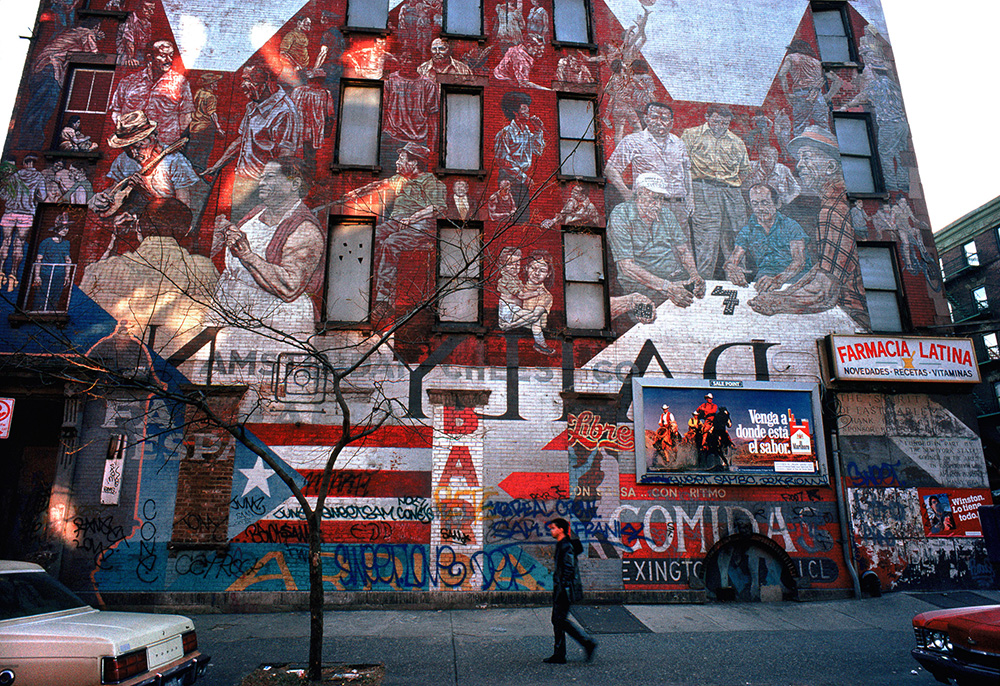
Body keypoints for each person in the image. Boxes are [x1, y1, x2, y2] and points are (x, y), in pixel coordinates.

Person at [746, 126, 869, 329]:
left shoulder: (833, 212)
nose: (799, 165)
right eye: (799, 158)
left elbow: (824, 291)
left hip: (855, 318)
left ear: (830, 167)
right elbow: (825, 266)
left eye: (807, 158)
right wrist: (784, 290)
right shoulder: (839, 202)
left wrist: (777, 302)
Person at [213, 157, 325, 335]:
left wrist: (248, 256)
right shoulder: (257, 212)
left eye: (270, 177)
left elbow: (290, 287)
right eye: (261, 177)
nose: (261, 183)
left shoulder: (306, 229)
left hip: (273, 322)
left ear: (294, 184)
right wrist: (225, 233)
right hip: (234, 312)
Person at [204, 63, 301, 221]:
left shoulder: (284, 112)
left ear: (266, 83)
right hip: (243, 181)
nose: (243, 86)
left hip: (263, 186)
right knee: (237, 226)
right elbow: (242, 140)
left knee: (254, 230)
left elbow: (286, 156)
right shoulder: (253, 105)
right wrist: (217, 165)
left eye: (247, 80)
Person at [606, 172, 704, 307]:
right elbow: (627, 267)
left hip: (672, 279)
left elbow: (683, 251)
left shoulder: (666, 214)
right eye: (654, 198)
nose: (658, 205)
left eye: (661, 199)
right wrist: (667, 287)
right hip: (640, 286)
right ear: (639, 194)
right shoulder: (620, 216)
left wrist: (694, 275)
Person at [681, 106, 750, 279]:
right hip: (703, 189)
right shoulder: (691, 135)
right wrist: (689, 195)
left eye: (725, 123)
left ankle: (737, 281)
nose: (720, 126)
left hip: (731, 192)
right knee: (707, 239)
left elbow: (744, 170)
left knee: (736, 236)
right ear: (707, 117)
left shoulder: (736, 141)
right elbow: (682, 166)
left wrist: (731, 186)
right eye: (716, 121)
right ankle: (704, 282)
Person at [605, 102, 693, 221]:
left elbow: (686, 171)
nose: (659, 122)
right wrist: (626, 193)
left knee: (680, 234)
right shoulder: (633, 141)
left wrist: (690, 197)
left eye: (664, 119)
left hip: (678, 208)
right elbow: (611, 169)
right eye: (654, 117)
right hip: (648, 207)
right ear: (646, 119)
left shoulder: (678, 143)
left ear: (671, 123)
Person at [723, 184, 811, 291]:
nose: (760, 208)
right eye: (755, 204)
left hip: (795, 277)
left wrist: (778, 280)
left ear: (777, 203)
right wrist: (732, 269)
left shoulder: (791, 226)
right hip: (765, 277)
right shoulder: (748, 230)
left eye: (765, 203)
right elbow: (732, 260)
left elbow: (799, 262)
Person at [110, 41, 194, 145]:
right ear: (150, 57)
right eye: (163, 56)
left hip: (164, 144)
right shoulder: (128, 82)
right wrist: (127, 134)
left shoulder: (181, 83)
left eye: (171, 55)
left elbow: (186, 115)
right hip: (133, 145)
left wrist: (173, 140)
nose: (169, 60)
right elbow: (116, 111)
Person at [544, 518, 596, 664]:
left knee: (559, 620)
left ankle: (586, 643)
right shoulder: (562, 544)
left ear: (561, 529)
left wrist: (562, 587)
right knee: (558, 620)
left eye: (553, 528)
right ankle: (560, 654)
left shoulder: (566, 545)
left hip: (564, 589)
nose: (551, 530)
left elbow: (569, 567)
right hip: (562, 588)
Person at [494, 91, 546, 222]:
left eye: (527, 108)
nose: (527, 111)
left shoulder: (527, 133)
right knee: (510, 217)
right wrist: (524, 178)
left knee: (523, 218)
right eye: (523, 108)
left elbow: (538, 150)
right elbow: (503, 161)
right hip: (509, 179)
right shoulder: (505, 133)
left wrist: (538, 130)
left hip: (522, 180)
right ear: (515, 112)